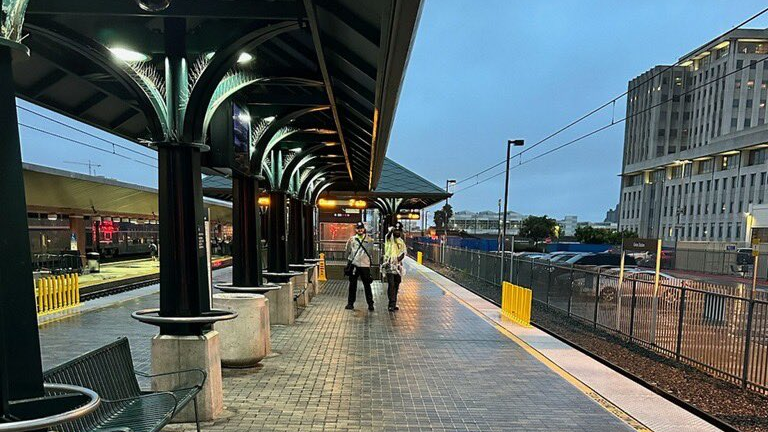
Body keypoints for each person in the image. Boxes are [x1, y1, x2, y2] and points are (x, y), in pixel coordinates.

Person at [345, 222, 375, 311]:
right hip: (355, 264)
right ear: (356, 230)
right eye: (358, 228)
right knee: (352, 285)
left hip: (365, 265)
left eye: (361, 228)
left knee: (367, 285)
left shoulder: (370, 240)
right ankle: (350, 303)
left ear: (364, 229)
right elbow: (348, 251)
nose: (360, 230)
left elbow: (371, 252)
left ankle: (370, 304)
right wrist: (350, 260)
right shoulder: (352, 240)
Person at [383, 222, 407, 311]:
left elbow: (404, 252)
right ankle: (391, 304)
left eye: (398, 230)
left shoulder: (401, 241)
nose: (397, 232)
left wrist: (398, 260)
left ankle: (394, 302)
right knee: (391, 284)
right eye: (395, 230)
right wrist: (390, 231)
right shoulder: (389, 238)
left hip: (398, 266)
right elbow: (388, 236)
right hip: (389, 265)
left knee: (397, 283)